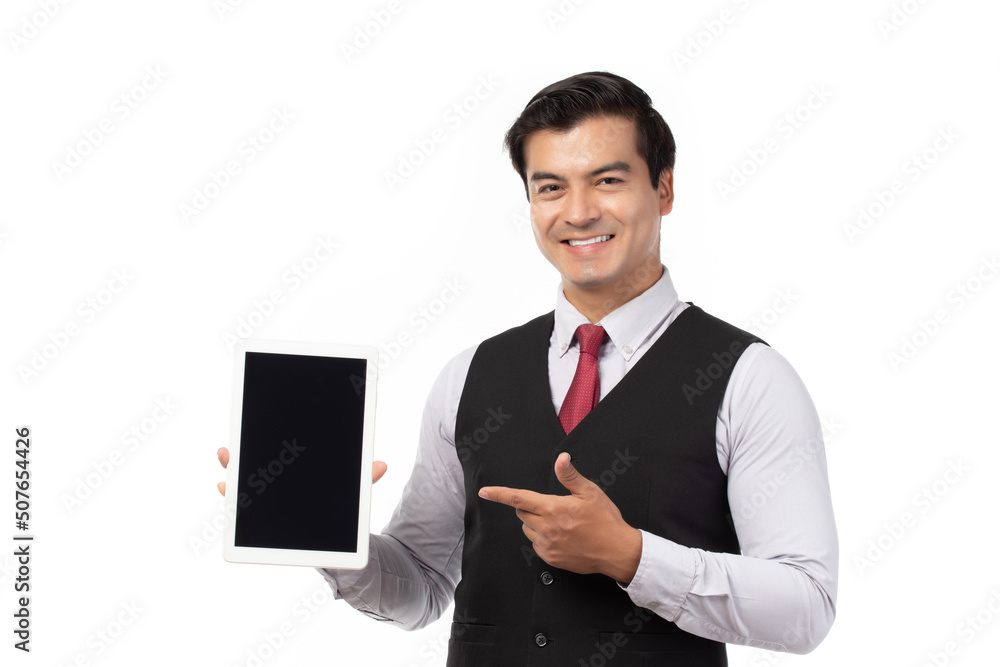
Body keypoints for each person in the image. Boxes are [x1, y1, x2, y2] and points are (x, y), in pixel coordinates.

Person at [217, 71, 838, 665]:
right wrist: (328, 534)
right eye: (550, 187)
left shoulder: (750, 378)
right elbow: (423, 587)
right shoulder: (467, 376)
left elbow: (806, 607)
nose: (578, 212)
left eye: (608, 180)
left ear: (665, 189)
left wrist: (631, 556)